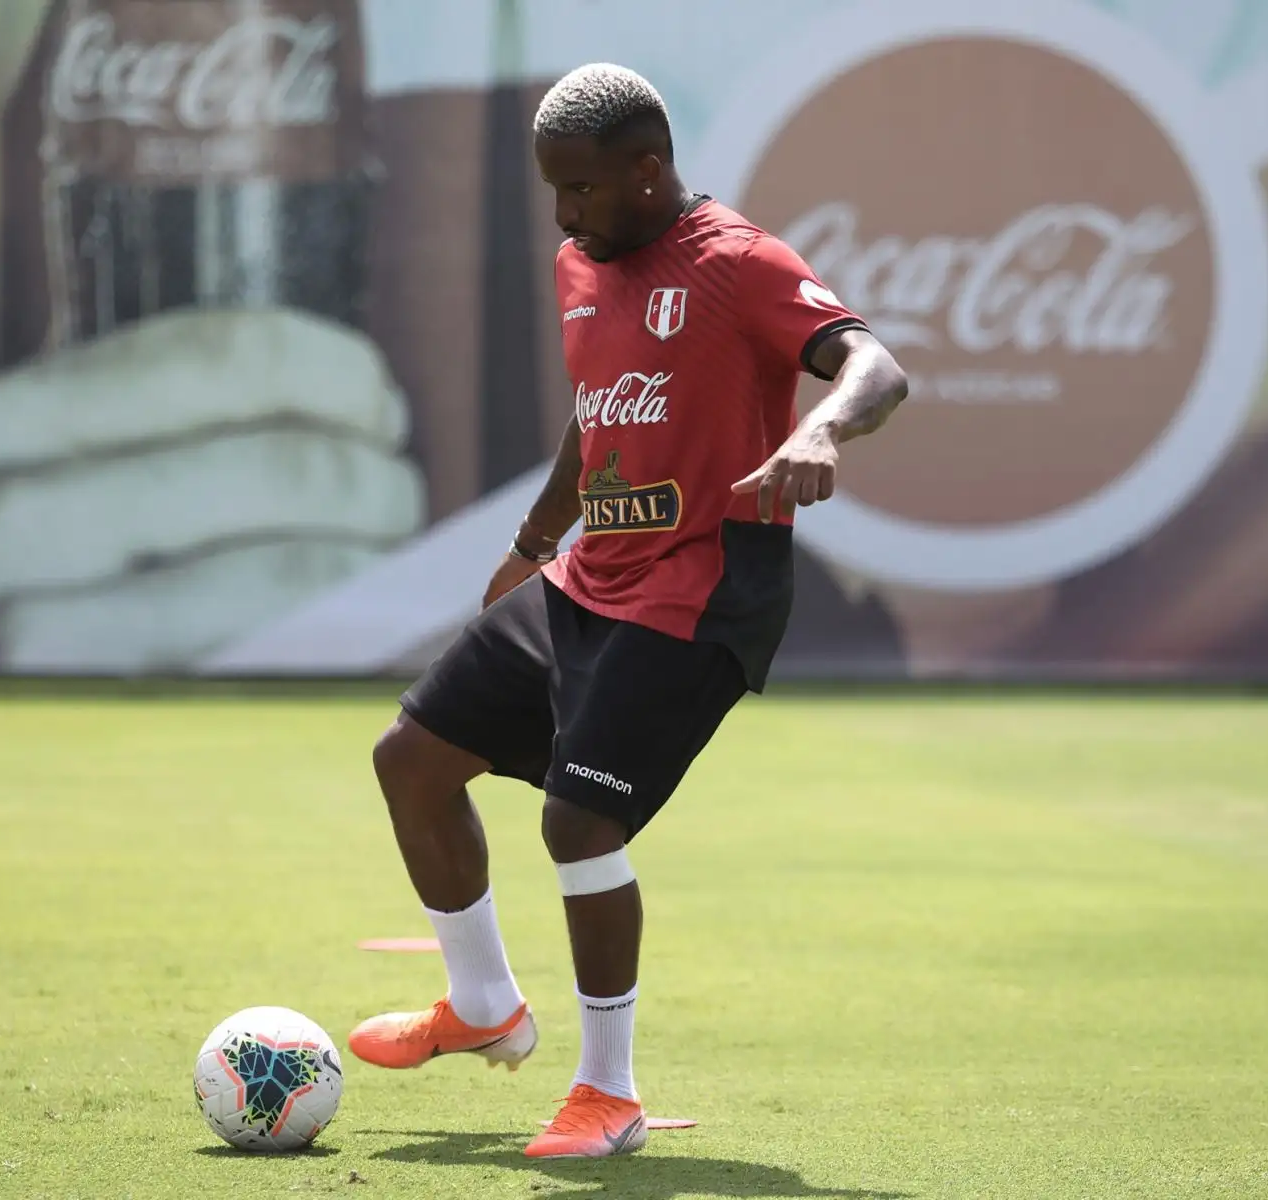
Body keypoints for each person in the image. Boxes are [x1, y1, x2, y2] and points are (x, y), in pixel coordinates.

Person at [346, 62, 910, 1160]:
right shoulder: (581, 264)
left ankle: (609, 1095)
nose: (565, 214)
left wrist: (820, 429)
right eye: (554, 190)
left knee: (578, 822)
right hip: (591, 577)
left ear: (648, 168)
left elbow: (876, 367)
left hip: (704, 589)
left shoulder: (737, 262)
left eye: (583, 189)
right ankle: (484, 1005)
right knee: (411, 759)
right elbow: (594, 416)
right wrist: (532, 544)